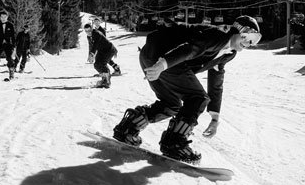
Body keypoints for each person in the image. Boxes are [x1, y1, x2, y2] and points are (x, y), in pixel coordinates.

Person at [112, 16, 262, 162]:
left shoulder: (229, 52)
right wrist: (162, 65)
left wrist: (215, 116)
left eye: (254, 40)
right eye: (249, 37)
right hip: (164, 58)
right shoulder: (218, 35)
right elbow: (191, 49)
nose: (249, 43)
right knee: (197, 98)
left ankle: (129, 127)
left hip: (153, 56)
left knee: (171, 104)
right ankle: (174, 144)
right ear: (239, 30)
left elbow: (216, 80)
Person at [84, 23, 119, 88]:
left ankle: (107, 80)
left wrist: (92, 53)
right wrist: (90, 55)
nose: (88, 33)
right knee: (96, 65)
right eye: (86, 31)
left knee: (102, 63)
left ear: (91, 29)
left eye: (89, 31)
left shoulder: (97, 33)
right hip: (101, 50)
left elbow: (95, 44)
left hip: (109, 49)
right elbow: (91, 46)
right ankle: (104, 78)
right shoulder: (88, 36)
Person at [0, 10, 16, 80]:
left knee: (10, 59)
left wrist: (14, 45)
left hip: (8, 44)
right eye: (2, 17)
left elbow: (13, 36)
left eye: (5, 17)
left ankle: (11, 74)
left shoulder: (10, 25)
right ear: (0, 17)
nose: (3, 18)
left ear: (7, 17)